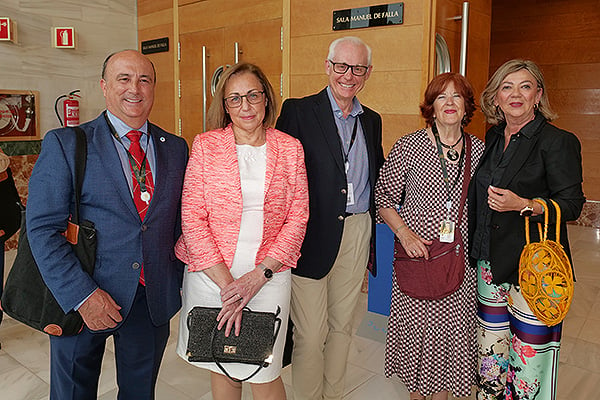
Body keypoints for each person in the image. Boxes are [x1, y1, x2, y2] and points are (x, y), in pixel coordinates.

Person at [26, 49, 189, 399]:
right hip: (83, 296)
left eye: (144, 79)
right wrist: (83, 296)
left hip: (150, 300)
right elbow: (41, 229)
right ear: (104, 86)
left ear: (155, 88)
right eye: (124, 79)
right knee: (73, 393)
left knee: (139, 393)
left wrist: (175, 281)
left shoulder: (175, 148)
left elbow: (179, 222)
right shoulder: (68, 143)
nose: (135, 88)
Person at [174, 62, 309, 400]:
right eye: (235, 99)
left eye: (252, 95)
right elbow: (192, 217)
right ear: (225, 106)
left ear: (266, 99)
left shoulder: (290, 148)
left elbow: (298, 217)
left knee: (265, 369)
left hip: (268, 275)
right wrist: (229, 287)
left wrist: (257, 277)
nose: (245, 106)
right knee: (221, 361)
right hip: (213, 276)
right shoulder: (206, 146)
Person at [275, 36, 385, 400]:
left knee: (341, 327)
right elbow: (280, 176)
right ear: (328, 66)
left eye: (357, 68)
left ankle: (333, 394)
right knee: (309, 332)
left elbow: (378, 175)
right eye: (341, 66)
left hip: (356, 231)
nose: (348, 75)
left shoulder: (371, 120)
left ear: (368, 73)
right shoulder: (298, 111)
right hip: (310, 234)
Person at [469, 59, 585, 400]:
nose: (515, 94)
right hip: (489, 264)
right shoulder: (492, 137)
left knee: (528, 363)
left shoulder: (556, 141)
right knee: (490, 354)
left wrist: (523, 204)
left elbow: (572, 204)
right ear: (496, 98)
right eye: (507, 86)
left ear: (538, 95)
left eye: (524, 86)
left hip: (533, 270)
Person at [375, 72, 484, 400]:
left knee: (450, 340)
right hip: (417, 258)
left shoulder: (478, 150)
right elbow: (383, 198)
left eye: (457, 96)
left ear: (466, 106)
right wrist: (405, 234)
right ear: (431, 107)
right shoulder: (410, 145)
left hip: (459, 263)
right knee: (418, 339)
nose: (449, 103)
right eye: (442, 97)